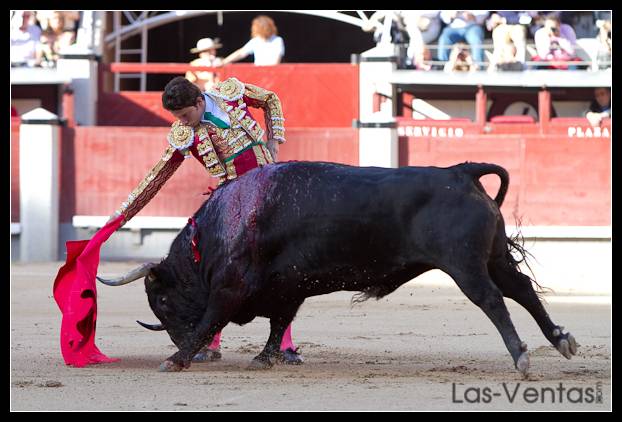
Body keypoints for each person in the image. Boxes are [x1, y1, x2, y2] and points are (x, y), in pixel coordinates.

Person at [108, 76, 303, 364]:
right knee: (212, 269)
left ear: (200, 101)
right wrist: (120, 216)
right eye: (178, 118)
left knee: (280, 268)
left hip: (269, 195)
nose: (183, 123)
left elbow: (270, 99)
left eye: (186, 115)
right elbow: (155, 177)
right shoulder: (183, 134)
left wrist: (274, 137)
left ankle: (285, 345)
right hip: (231, 202)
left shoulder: (232, 94)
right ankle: (210, 342)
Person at [220, 15, 284, 66]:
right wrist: (224, 61)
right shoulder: (256, 41)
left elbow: (276, 61)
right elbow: (241, 53)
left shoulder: (277, 40)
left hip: (272, 73)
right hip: (258, 72)